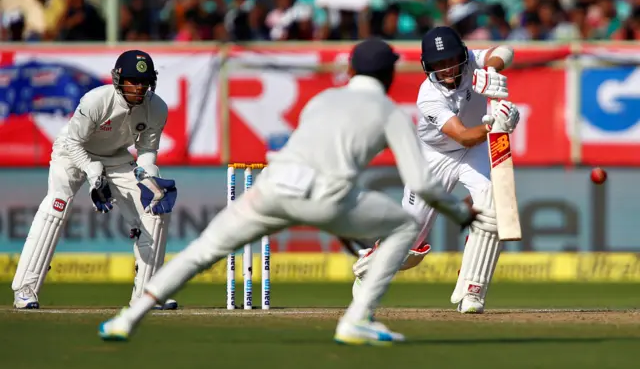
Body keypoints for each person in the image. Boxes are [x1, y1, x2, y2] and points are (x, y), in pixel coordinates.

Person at [98, 38, 493, 346]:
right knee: (405, 228)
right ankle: (357, 320)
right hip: (328, 196)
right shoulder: (391, 113)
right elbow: (422, 185)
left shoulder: (321, 99)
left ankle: (127, 318)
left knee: (202, 251)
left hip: (271, 188)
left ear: (352, 70)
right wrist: (460, 214)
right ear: (389, 76)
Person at [350, 26, 519, 314]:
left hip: (473, 153)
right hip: (435, 156)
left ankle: (473, 290)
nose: (448, 69)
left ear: (463, 55)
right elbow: (464, 135)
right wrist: (496, 125)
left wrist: (490, 71)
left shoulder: (472, 63)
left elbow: (504, 51)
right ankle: (369, 267)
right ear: (428, 67)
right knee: (409, 240)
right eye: (439, 65)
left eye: (452, 60)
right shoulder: (428, 95)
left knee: (492, 204)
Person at [11, 50, 179, 310]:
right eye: (133, 81)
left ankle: (148, 294)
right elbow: (73, 142)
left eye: (144, 82)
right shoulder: (96, 101)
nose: (139, 87)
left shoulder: (156, 108)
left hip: (116, 158)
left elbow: (146, 152)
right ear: (118, 80)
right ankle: (25, 289)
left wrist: (150, 180)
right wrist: (93, 174)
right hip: (72, 153)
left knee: (154, 209)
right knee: (57, 205)